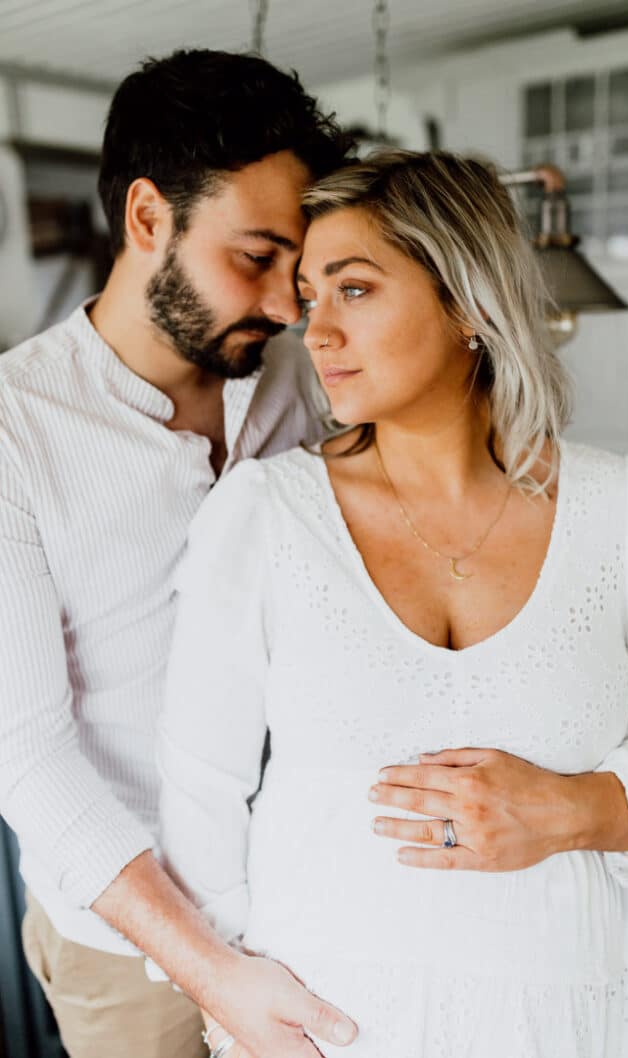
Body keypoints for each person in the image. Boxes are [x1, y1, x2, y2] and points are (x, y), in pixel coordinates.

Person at [159, 149, 628, 1057]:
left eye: (355, 290)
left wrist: (581, 810)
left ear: (468, 303)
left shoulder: (624, 513)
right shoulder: (263, 515)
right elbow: (198, 799)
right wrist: (233, 1011)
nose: (315, 330)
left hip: (573, 1022)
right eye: (309, 295)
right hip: (328, 1028)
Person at [0, 48, 359, 1058]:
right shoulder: (12, 432)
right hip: (130, 941)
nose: (289, 305)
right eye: (255, 257)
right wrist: (214, 972)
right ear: (148, 218)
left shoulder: (303, 378)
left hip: (308, 890)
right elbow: (24, 757)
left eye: (300, 267)